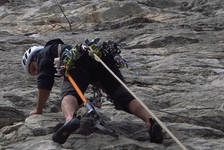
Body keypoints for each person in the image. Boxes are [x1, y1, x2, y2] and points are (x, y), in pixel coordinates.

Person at [21, 38, 164, 144]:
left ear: (34, 56)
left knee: (69, 94)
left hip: (79, 62)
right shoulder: (62, 48)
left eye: (34, 68)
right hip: (102, 58)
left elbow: (45, 81)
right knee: (124, 96)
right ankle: (150, 121)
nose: (37, 71)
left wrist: (38, 108)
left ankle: (70, 120)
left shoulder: (45, 52)